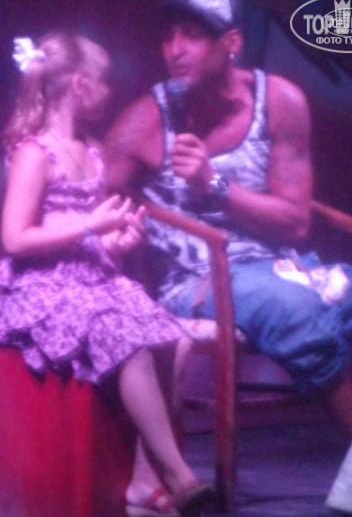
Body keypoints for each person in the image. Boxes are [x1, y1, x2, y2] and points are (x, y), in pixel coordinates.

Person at [104, 0, 352, 515]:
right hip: (200, 280)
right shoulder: (149, 117)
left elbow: (294, 223)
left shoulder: (279, 102)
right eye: (168, 36)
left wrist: (214, 185)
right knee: (292, 309)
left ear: (231, 43)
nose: (174, 50)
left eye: (193, 35)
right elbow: (90, 189)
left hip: (283, 263)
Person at [0, 31, 214, 517]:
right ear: (80, 85)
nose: (109, 91)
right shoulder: (36, 152)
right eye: (104, 81)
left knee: (173, 340)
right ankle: (179, 476)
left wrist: (112, 240)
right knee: (126, 340)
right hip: (41, 285)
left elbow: (91, 236)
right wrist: (89, 227)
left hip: (92, 279)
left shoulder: (91, 152)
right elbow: (14, 238)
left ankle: (144, 481)